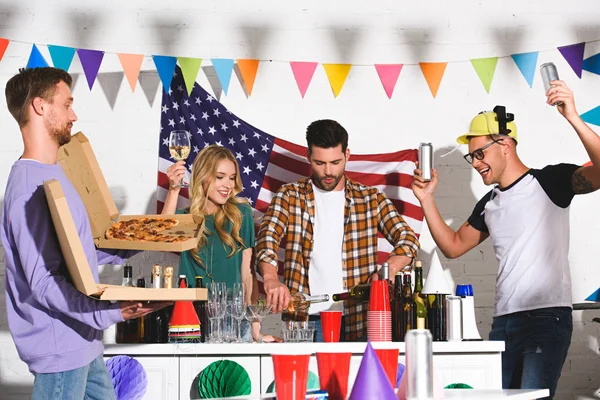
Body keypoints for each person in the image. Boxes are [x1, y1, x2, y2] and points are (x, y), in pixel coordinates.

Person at [411, 81, 600, 399]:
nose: (477, 163)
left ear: (505, 145)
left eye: (480, 153)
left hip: (546, 317)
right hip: (504, 323)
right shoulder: (490, 203)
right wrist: (426, 199)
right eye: (472, 157)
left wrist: (573, 117)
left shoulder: (548, 181)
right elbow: (453, 246)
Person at [1, 67, 171, 400]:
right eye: (66, 104)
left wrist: (141, 242)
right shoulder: (27, 189)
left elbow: (77, 252)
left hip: (84, 341)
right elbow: (45, 281)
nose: (74, 114)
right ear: (40, 106)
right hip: (60, 350)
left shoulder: (53, 172)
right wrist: (111, 312)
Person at [255, 119, 420, 341]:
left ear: (347, 155)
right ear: (308, 157)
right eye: (320, 163)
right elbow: (267, 238)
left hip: (360, 317)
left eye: (335, 162)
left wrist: (388, 270)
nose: (328, 171)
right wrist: (271, 279)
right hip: (307, 320)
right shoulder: (289, 196)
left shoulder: (371, 199)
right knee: (311, 377)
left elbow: (408, 240)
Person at [163, 145, 279, 343]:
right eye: (220, 177)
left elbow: (247, 274)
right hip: (191, 315)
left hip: (234, 316)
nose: (228, 185)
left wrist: (255, 328)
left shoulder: (241, 214)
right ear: (203, 177)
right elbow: (163, 237)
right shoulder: (185, 218)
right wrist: (173, 190)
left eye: (232, 178)